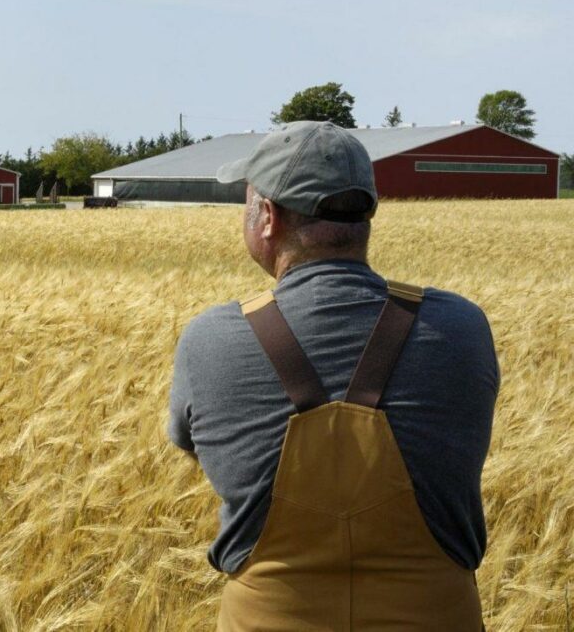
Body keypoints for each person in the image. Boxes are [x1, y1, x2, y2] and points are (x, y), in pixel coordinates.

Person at [168, 121, 498, 631]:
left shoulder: (210, 339)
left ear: (268, 218)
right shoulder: (462, 326)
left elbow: (197, 449)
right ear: (366, 212)